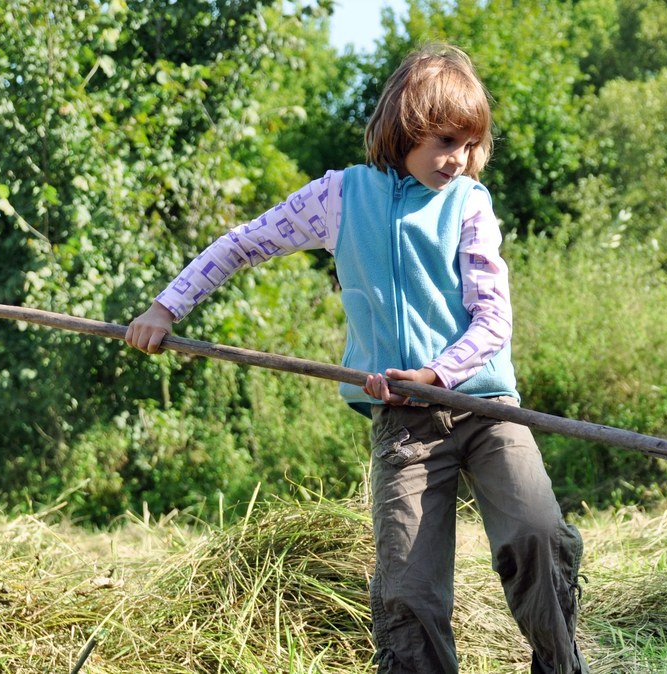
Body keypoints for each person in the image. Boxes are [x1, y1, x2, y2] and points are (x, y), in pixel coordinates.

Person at [124, 43, 588, 674]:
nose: (459, 160)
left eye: (470, 143)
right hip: (406, 429)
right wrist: (166, 308)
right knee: (407, 592)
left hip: (484, 405)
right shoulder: (339, 198)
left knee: (538, 535)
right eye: (445, 141)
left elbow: (494, 320)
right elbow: (241, 245)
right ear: (405, 128)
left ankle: (561, 667)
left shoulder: (469, 203)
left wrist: (437, 374)